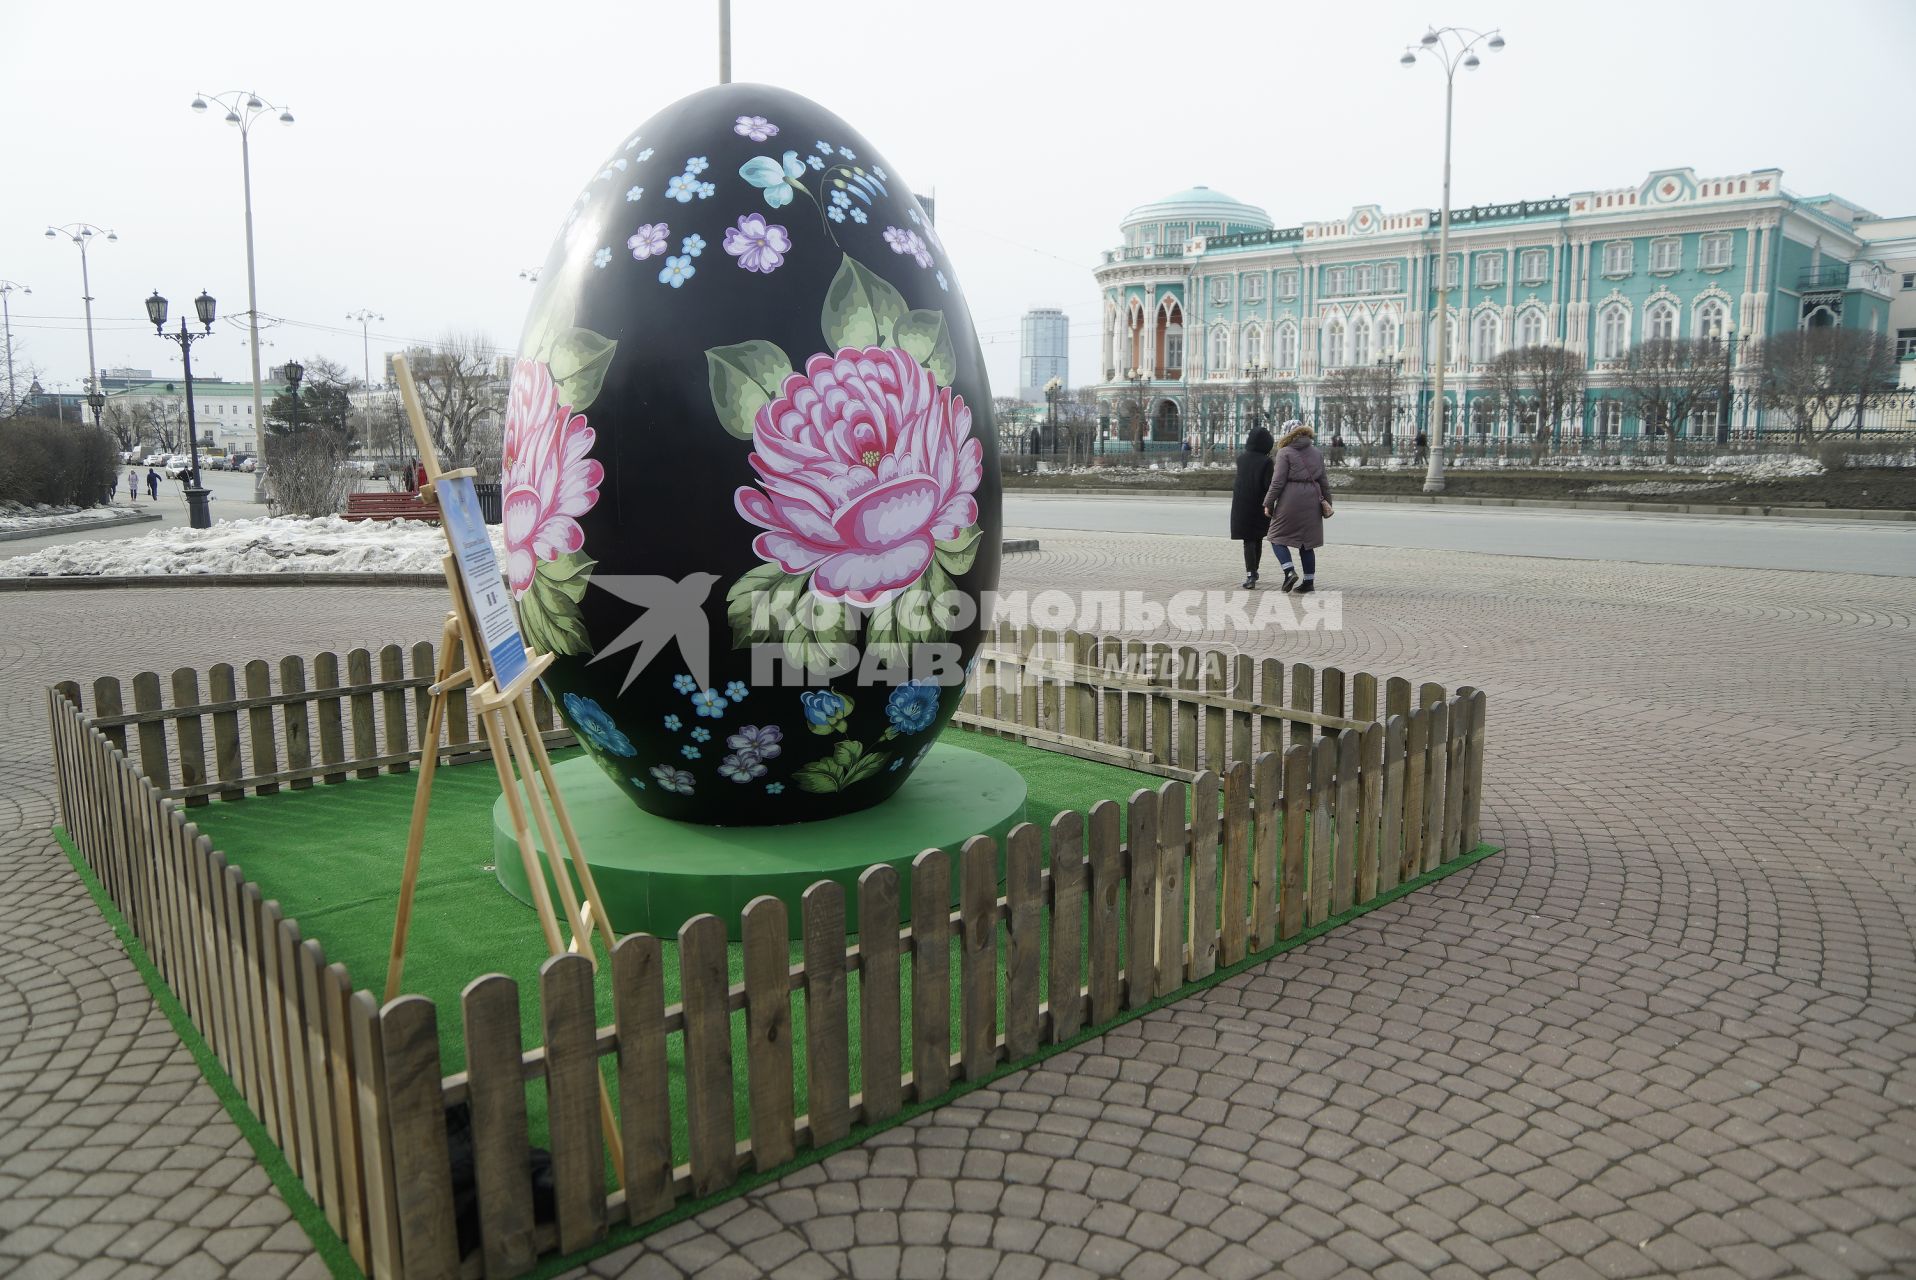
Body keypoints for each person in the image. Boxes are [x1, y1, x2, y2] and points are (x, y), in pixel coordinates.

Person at [1262, 421, 1333, 594]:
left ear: (1287, 434)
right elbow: (1324, 481)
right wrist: (1328, 503)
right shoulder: (1317, 452)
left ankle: (1289, 571)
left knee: (1276, 536)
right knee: (1307, 543)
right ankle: (1308, 582)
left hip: (1290, 499)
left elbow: (1277, 482)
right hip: (1313, 499)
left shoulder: (1284, 452)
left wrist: (1268, 503)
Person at [1229, 424, 1275, 589]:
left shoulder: (1241, 458)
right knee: (1257, 538)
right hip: (1259, 504)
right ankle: (1253, 572)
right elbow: (1268, 485)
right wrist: (1271, 505)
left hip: (1242, 504)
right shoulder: (1267, 461)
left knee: (1248, 540)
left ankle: (1251, 573)